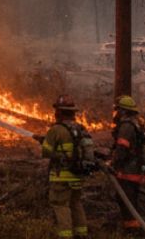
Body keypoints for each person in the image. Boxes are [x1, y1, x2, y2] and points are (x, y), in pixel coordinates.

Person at [41, 94, 95, 238]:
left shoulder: (56, 129)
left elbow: (46, 151)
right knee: (76, 203)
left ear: (59, 112)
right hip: (78, 175)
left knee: (60, 205)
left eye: (56, 110)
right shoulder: (81, 128)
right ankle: (82, 235)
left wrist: (45, 141)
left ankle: (65, 236)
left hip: (61, 177)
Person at [109, 95, 145, 234]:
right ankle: (132, 227)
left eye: (117, 110)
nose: (115, 113)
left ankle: (132, 231)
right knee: (130, 200)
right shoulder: (137, 123)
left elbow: (122, 148)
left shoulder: (126, 126)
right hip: (137, 169)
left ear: (123, 111)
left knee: (126, 202)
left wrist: (113, 163)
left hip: (128, 170)